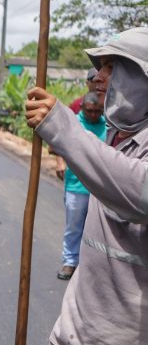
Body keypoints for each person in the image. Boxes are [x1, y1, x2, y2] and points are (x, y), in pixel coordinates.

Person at [24, 27, 148, 345]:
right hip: (71, 340)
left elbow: (139, 191)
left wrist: (63, 128)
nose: (98, 77)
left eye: (111, 68)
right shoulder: (115, 133)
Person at [53, 92, 105, 281]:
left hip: (100, 187)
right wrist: (60, 162)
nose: (93, 115)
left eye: (98, 111)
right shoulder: (72, 123)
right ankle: (69, 262)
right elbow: (56, 144)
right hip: (76, 185)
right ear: (82, 107)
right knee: (74, 228)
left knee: (97, 230)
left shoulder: (107, 124)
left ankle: (90, 266)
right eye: (90, 111)